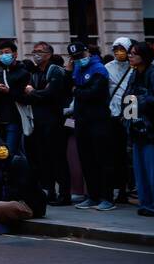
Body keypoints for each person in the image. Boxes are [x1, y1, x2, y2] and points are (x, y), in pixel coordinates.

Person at [122, 42, 154, 217]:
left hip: (153, 132)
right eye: (130, 53)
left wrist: (141, 100)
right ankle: (147, 204)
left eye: (133, 54)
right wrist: (128, 122)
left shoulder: (153, 74)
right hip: (138, 130)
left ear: (143, 56)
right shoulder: (134, 73)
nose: (130, 56)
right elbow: (129, 99)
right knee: (142, 171)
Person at [21, 41, 72, 206]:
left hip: (54, 121)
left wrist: (34, 92)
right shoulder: (35, 73)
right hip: (38, 121)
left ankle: (64, 194)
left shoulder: (55, 70)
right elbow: (29, 96)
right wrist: (36, 94)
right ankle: (49, 191)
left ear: (49, 54)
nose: (36, 54)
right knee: (44, 159)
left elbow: (50, 94)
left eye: (40, 51)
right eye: (34, 51)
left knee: (58, 158)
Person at [68, 42, 115, 211]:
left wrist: (77, 91)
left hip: (99, 120)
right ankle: (93, 196)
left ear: (87, 52)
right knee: (87, 160)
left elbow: (93, 93)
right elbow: (73, 89)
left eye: (80, 55)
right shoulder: (77, 69)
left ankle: (107, 198)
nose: (78, 59)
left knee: (102, 159)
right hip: (82, 121)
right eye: (75, 57)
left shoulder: (99, 69)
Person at [105, 38, 135, 204]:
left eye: (122, 49)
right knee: (115, 155)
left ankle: (130, 188)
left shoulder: (135, 68)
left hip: (128, 115)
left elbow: (134, 93)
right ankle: (120, 189)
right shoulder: (108, 68)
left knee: (128, 154)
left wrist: (130, 115)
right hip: (112, 116)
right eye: (116, 49)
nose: (118, 52)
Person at [0, 42, 30, 156]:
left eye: (7, 52)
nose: (3, 55)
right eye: (1, 53)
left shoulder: (23, 73)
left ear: (15, 54)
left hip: (15, 118)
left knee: (9, 152)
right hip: (1, 120)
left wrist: (9, 91)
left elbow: (25, 97)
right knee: (1, 152)